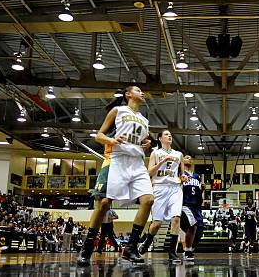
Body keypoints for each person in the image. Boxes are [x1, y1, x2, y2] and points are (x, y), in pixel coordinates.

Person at [77, 86, 154, 265]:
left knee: (148, 200)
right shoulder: (117, 110)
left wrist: (146, 143)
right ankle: (87, 248)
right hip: (116, 159)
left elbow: (141, 139)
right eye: (138, 90)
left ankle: (131, 247)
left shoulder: (144, 119)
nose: (142, 93)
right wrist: (110, 140)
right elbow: (99, 135)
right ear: (128, 94)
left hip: (137, 162)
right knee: (103, 204)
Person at [138, 130, 185, 263]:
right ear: (159, 139)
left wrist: (184, 177)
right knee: (157, 224)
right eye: (166, 134)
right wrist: (161, 162)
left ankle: (172, 253)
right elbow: (149, 172)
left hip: (175, 188)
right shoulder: (155, 153)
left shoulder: (179, 154)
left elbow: (181, 174)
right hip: (159, 187)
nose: (169, 136)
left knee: (176, 219)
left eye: (170, 134)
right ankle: (147, 243)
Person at [179, 155, 205, 261]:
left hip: (196, 206)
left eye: (190, 158)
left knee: (200, 229)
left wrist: (202, 189)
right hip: (185, 205)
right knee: (192, 226)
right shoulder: (180, 174)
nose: (189, 159)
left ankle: (189, 249)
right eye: (186, 157)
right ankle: (188, 250)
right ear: (182, 161)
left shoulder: (197, 176)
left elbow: (198, 193)